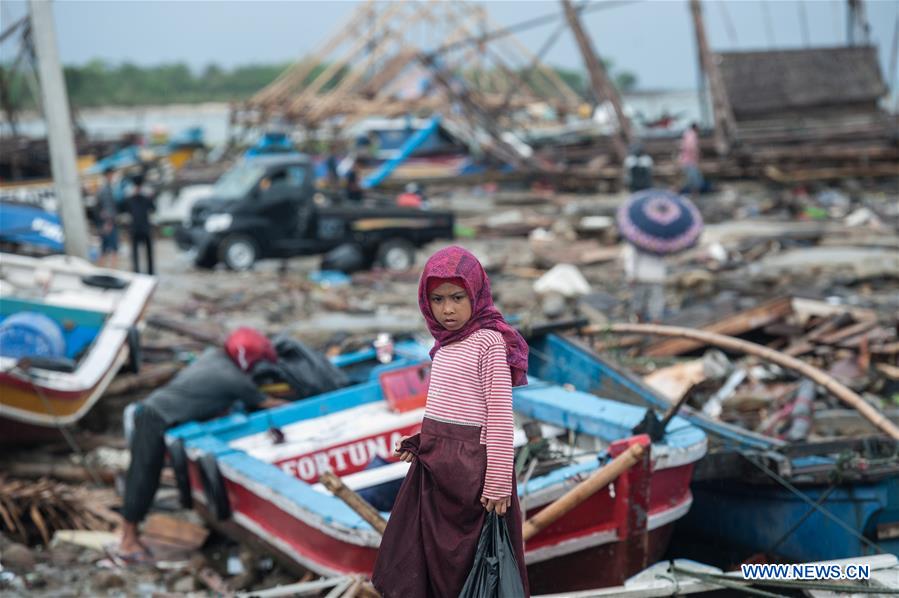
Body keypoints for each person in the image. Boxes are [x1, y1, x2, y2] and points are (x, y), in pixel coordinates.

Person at [372, 245, 530, 597]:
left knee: (469, 562)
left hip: (474, 475)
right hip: (438, 471)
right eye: (438, 299)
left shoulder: (488, 343)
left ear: (476, 293)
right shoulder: (444, 347)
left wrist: (498, 483)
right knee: (430, 558)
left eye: (458, 297)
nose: (448, 309)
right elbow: (448, 409)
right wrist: (421, 439)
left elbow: (500, 417)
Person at [116, 328, 288, 562]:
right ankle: (127, 541)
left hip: (152, 411)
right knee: (143, 479)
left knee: (143, 477)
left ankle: (130, 536)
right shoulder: (234, 379)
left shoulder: (213, 357)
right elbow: (268, 404)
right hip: (155, 419)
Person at [621, 242, 667, 322]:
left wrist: (631, 275)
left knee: (639, 300)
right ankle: (655, 323)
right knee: (655, 301)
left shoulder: (637, 242)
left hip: (641, 276)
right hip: (656, 276)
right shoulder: (659, 242)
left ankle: (641, 322)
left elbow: (630, 260)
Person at [126, 173, 155, 275]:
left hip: (140, 227)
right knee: (137, 253)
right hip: (139, 227)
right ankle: (138, 272)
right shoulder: (131, 197)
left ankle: (149, 272)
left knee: (146, 252)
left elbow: (153, 208)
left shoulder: (141, 197)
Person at [96, 167, 119, 268]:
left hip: (105, 222)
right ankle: (112, 271)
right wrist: (108, 223)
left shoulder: (105, 188)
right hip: (108, 223)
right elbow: (107, 208)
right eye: (112, 174)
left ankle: (102, 270)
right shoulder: (106, 189)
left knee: (105, 249)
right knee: (112, 248)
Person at [679, 122, 703, 197]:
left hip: (686, 160)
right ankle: (695, 194)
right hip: (690, 161)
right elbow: (691, 147)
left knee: (689, 178)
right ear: (695, 128)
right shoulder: (692, 135)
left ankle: (694, 194)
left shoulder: (687, 134)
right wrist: (696, 155)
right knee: (693, 179)